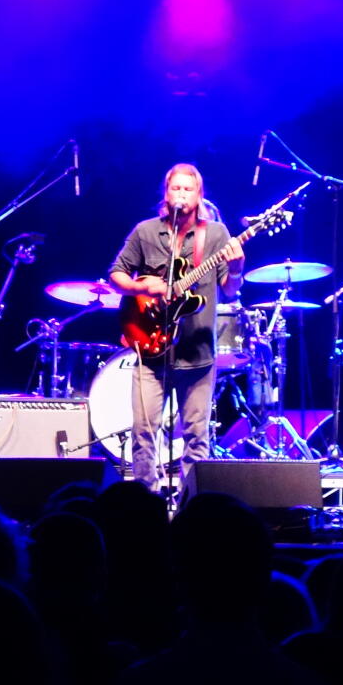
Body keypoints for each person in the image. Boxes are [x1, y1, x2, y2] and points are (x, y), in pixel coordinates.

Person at [108, 163, 243, 491]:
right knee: (143, 432)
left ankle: (191, 503)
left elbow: (230, 289)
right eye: (175, 188)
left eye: (188, 189)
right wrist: (143, 287)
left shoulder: (216, 234)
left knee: (197, 436)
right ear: (166, 194)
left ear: (199, 195)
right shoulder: (145, 232)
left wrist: (237, 268)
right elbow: (116, 275)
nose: (181, 194)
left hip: (198, 354)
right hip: (150, 349)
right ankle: (146, 501)